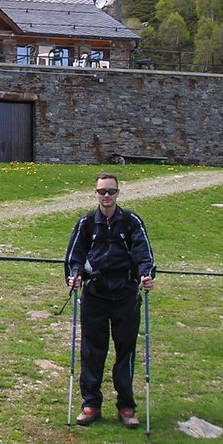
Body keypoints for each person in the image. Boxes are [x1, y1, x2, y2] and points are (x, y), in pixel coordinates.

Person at [64, 172, 155, 429]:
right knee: (92, 350)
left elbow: (144, 254)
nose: (107, 196)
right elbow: (74, 256)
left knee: (125, 350)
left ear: (118, 193)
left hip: (125, 294)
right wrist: (74, 275)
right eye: (102, 191)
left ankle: (126, 406)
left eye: (111, 191)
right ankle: (91, 404)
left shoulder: (131, 221)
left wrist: (146, 274)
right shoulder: (86, 223)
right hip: (95, 294)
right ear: (95, 193)